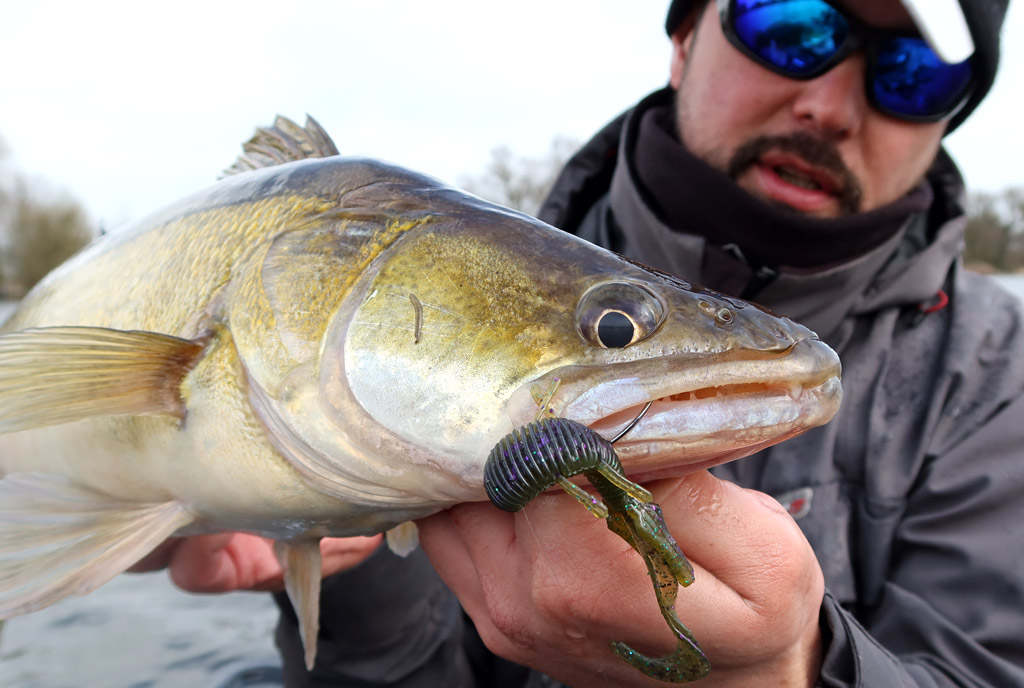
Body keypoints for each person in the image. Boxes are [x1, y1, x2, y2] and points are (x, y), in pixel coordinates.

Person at [140, 0, 1024, 685]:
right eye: (789, 25)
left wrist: (794, 676)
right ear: (684, 39)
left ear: (947, 121)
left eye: (913, 75)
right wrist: (354, 571)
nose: (830, 104)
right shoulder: (458, 280)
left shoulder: (999, 378)